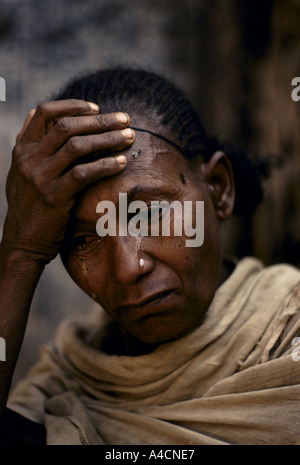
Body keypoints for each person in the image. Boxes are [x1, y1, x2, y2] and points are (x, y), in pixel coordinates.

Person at [0, 68, 299, 445]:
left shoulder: (290, 334)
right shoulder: (63, 384)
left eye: (148, 213)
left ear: (219, 189)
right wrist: (19, 254)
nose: (128, 268)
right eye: (82, 240)